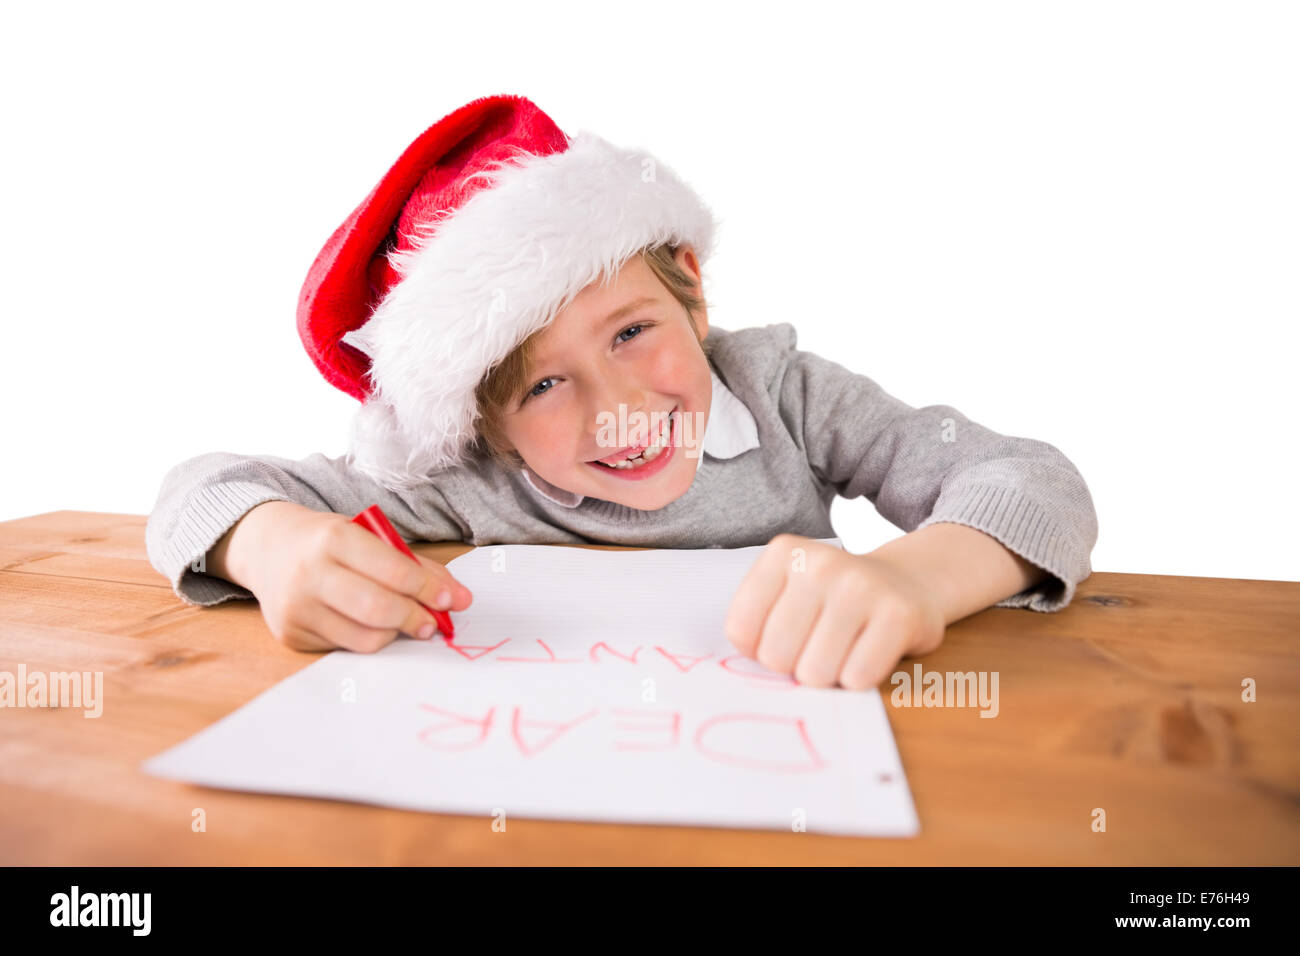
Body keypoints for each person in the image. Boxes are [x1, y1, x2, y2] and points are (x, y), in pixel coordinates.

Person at [145, 93, 1098, 691]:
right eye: (545, 384)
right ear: (485, 422)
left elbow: (1031, 480)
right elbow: (203, 487)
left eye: (633, 332)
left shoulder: (787, 398)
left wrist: (915, 577)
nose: (616, 411)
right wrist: (268, 548)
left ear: (690, 283)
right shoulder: (469, 482)